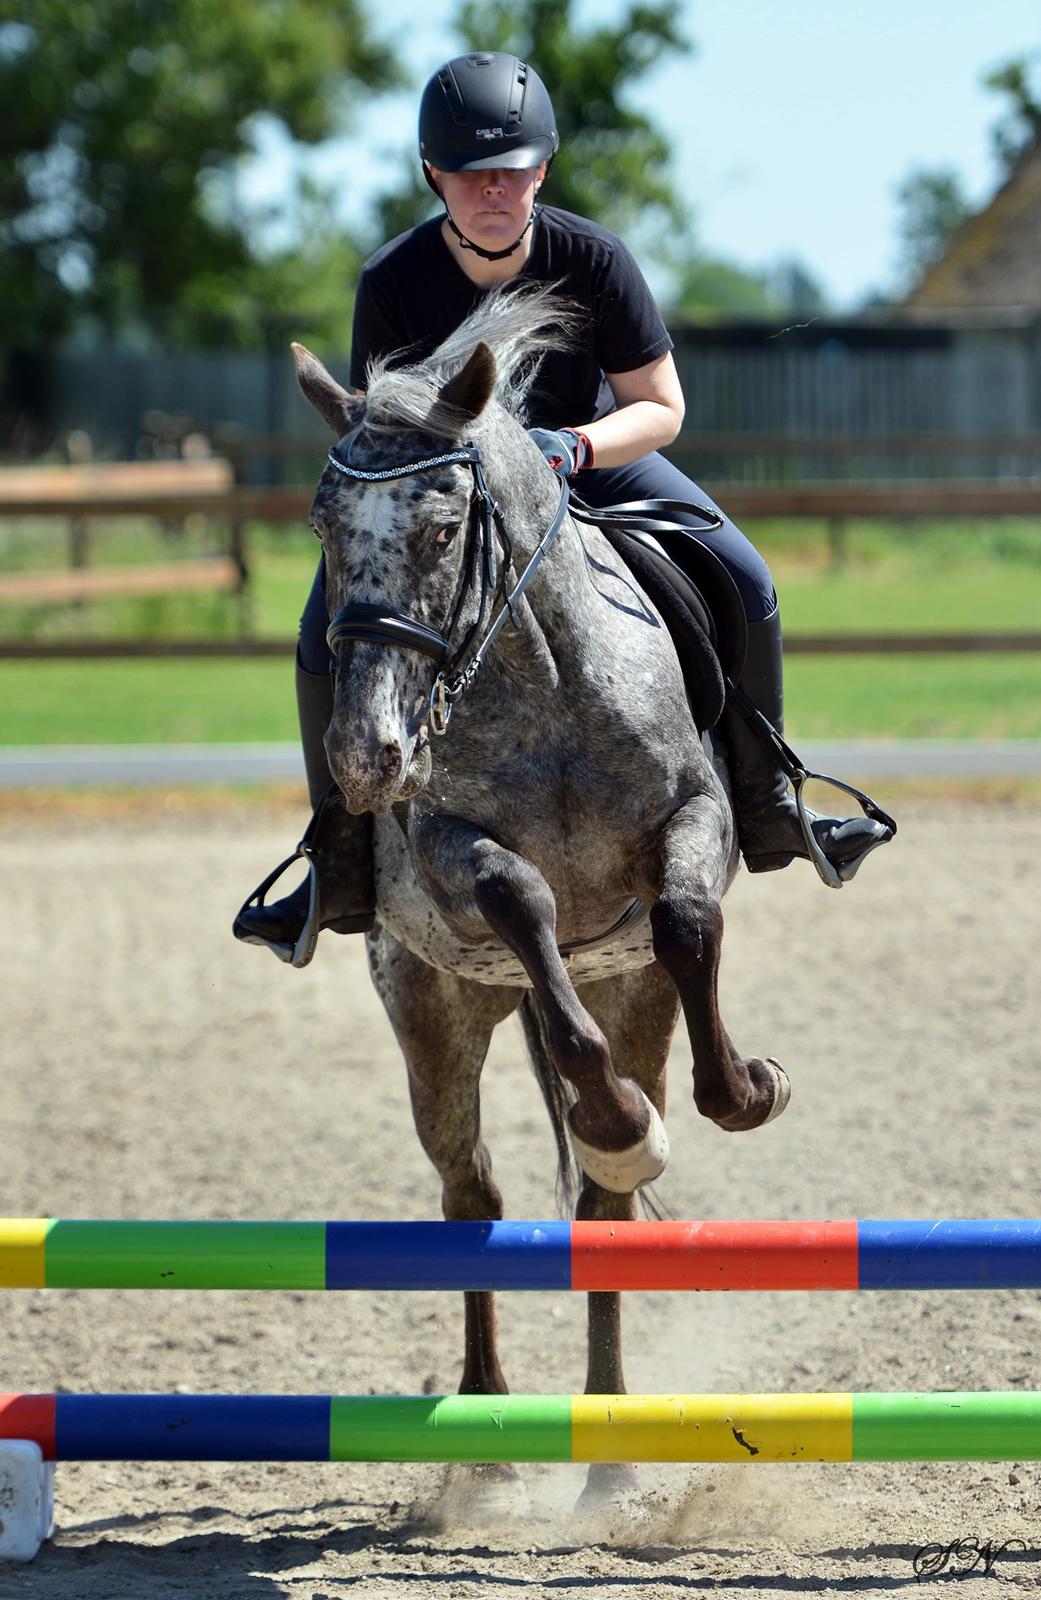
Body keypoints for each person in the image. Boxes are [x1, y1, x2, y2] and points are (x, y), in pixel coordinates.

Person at [234, 51, 892, 964]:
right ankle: (337, 856)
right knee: (322, 628)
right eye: (470, 176)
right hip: (452, 495)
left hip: (590, 462)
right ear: (435, 175)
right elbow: (385, 434)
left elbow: (662, 408)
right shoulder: (391, 280)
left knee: (744, 574)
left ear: (541, 169)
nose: (493, 193)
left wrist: (578, 443)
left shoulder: (594, 259)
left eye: (512, 172)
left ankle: (772, 797)